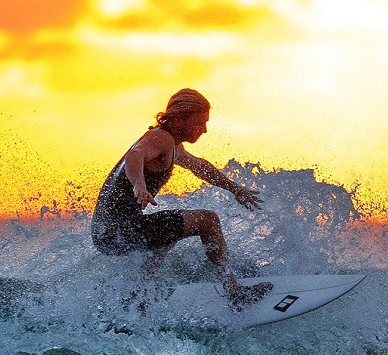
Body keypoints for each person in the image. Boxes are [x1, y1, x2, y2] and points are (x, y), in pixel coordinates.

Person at [90, 88, 272, 305]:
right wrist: (139, 185)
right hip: (120, 230)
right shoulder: (160, 138)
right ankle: (234, 293)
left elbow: (199, 167)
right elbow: (134, 155)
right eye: (199, 123)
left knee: (171, 232)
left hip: (107, 234)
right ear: (178, 119)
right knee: (208, 221)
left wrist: (235, 189)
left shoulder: (172, 145)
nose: (204, 129)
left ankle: (136, 298)